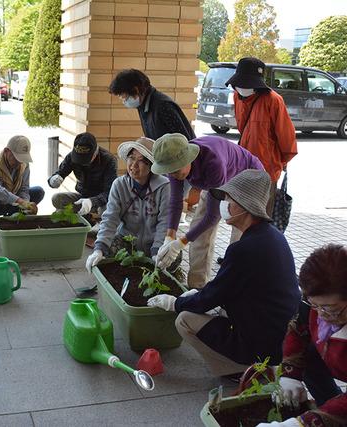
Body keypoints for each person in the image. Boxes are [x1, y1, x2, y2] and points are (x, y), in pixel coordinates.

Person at [147, 170, 300, 378]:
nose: (224, 204)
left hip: (262, 343)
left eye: (230, 199)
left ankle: (241, 369)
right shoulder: (272, 236)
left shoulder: (244, 248)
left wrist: (174, 303)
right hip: (278, 334)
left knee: (184, 320)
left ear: (246, 207)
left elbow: (212, 296)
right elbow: (227, 287)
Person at [152, 133, 263, 288]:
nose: (172, 175)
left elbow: (213, 216)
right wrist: (170, 237)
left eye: (175, 171)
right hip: (216, 183)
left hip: (246, 179)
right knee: (199, 233)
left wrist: (180, 243)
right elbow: (176, 201)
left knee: (239, 241)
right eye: (168, 171)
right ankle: (197, 288)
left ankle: (233, 291)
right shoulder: (173, 163)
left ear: (187, 159)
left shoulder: (213, 162)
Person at [258, 244, 347, 427]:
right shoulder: (313, 304)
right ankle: (328, 407)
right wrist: (290, 374)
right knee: (307, 357)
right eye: (316, 305)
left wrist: (304, 423)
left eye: (331, 309)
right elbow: (299, 330)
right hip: (332, 357)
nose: (321, 314)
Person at [85, 137, 171, 272]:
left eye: (142, 161)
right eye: (131, 158)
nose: (134, 165)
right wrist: (99, 249)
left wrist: (156, 251)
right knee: (107, 251)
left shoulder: (164, 186)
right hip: (127, 242)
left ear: (152, 166)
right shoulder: (119, 185)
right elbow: (110, 218)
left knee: (172, 255)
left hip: (154, 244)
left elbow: (164, 222)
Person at [225, 57, 297, 215]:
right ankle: (241, 241)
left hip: (266, 170)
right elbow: (242, 126)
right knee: (239, 214)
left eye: (247, 84)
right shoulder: (237, 96)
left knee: (261, 216)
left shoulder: (273, 100)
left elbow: (287, 138)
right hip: (242, 167)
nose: (243, 88)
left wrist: (280, 163)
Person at [0, 135, 45, 240]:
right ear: (7, 151)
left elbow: (24, 188)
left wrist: (26, 203)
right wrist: (20, 201)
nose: (19, 162)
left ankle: (15, 219)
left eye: (22, 158)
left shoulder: (24, 164)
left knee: (38, 191)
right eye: (16, 158)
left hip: (9, 201)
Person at [108, 69, 196, 141]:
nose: (124, 101)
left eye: (125, 98)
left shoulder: (163, 105)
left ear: (136, 90)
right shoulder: (143, 105)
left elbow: (184, 140)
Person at [47, 132, 117, 217]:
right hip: (81, 197)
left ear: (95, 152)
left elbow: (110, 192)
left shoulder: (109, 160)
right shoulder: (71, 156)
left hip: (101, 201)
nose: (82, 163)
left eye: (86, 159)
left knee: (107, 208)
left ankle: (99, 225)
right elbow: (60, 172)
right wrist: (53, 180)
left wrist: (92, 201)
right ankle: (79, 217)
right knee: (57, 198)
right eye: (79, 158)